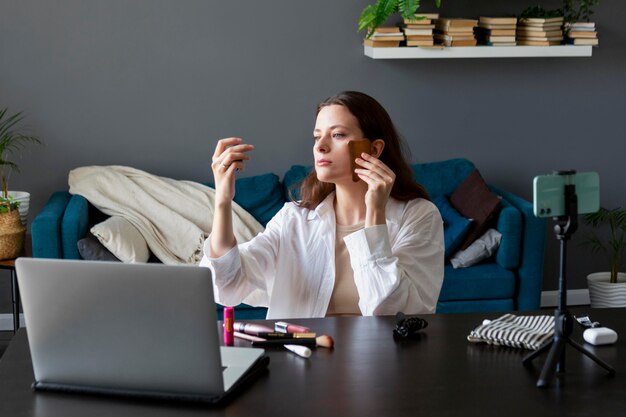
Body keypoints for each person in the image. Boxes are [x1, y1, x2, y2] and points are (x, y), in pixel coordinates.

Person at [200, 91, 444, 319]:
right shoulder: (294, 220)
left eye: (337, 135)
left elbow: (391, 311)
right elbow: (227, 285)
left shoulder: (418, 216)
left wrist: (375, 214)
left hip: (381, 359)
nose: (320, 146)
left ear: (374, 148)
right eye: (317, 136)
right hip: (300, 358)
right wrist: (222, 201)